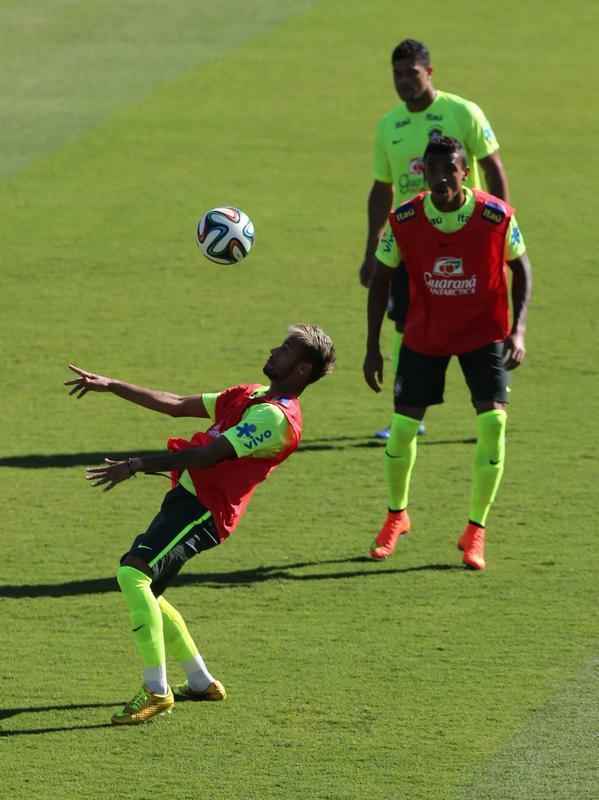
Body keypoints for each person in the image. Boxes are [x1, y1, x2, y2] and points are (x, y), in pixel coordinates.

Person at [65, 324, 335, 725]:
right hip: (188, 499)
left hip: (206, 511)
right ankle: (200, 680)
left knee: (133, 571)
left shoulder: (274, 419)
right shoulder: (250, 394)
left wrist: (137, 465)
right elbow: (176, 403)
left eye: (285, 350)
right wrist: (112, 384)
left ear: (301, 371)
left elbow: (210, 456)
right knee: (149, 593)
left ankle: (156, 690)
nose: (274, 351)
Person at [363, 136, 532, 569]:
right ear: (423, 172)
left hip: (484, 335)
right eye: (431, 170)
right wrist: (372, 347)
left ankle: (476, 530)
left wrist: (518, 331)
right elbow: (381, 280)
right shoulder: (404, 219)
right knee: (402, 430)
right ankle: (396, 516)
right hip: (427, 335)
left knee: (493, 422)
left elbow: (522, 269)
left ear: (465, 171)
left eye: (450, 170)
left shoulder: (496, 216)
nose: (440, 178)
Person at [358, 38, 510, 440]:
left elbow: (493, 168)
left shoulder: (462, 112)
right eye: (397, 74)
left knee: (476, 321)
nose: (404, 81)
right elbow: (381, 190)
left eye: (412, 73)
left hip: (466, 238)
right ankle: (408, 414)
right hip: (411, 242)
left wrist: (500, 229)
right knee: (405, 320)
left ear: (430, 72)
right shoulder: (388, 125)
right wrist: (371, 248)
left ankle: (491, 402)